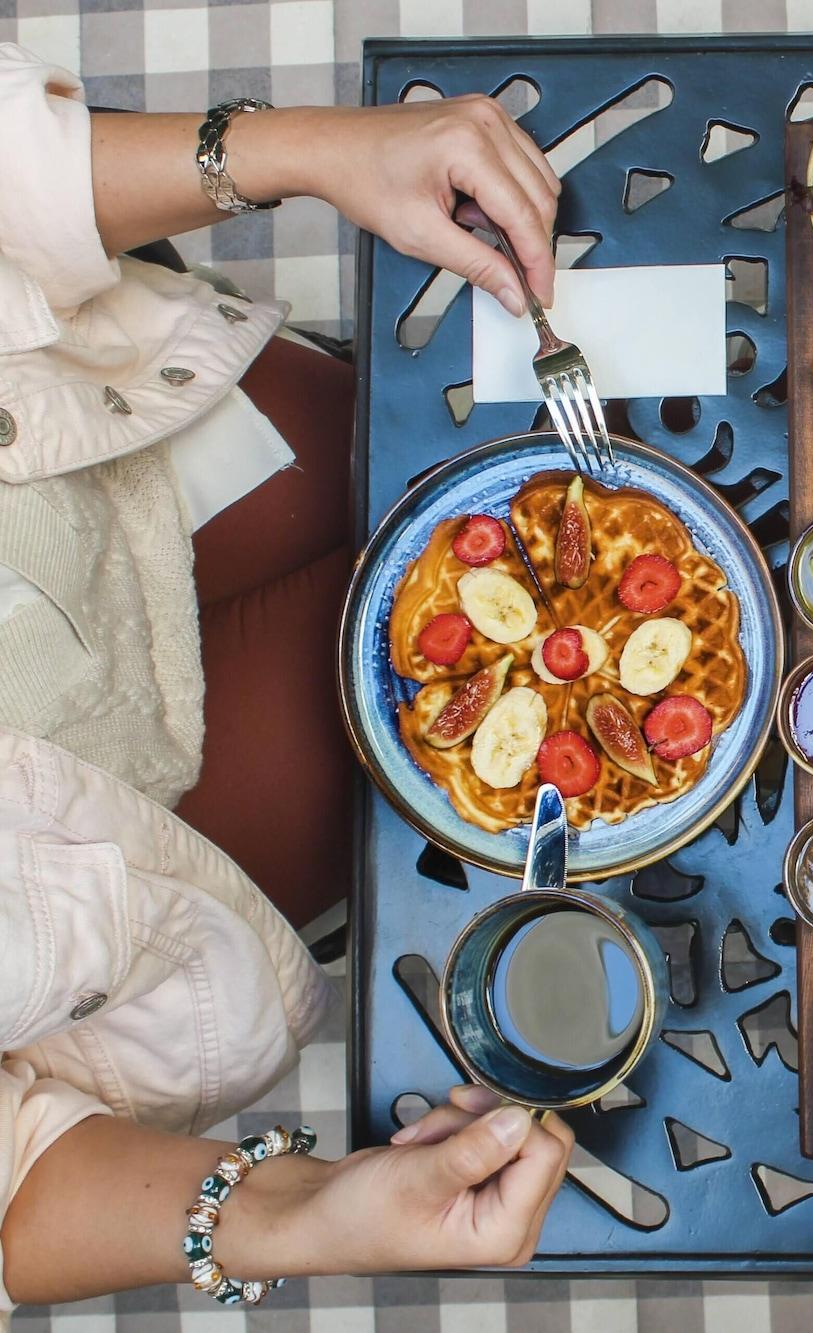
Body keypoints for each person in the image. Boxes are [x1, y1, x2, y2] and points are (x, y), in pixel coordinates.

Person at [0, 43, 577, 1316]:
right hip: (108, 824)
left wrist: (295, 148)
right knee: (492, 681)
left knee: (427, 461)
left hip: (68, 451)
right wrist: (298, 1216)